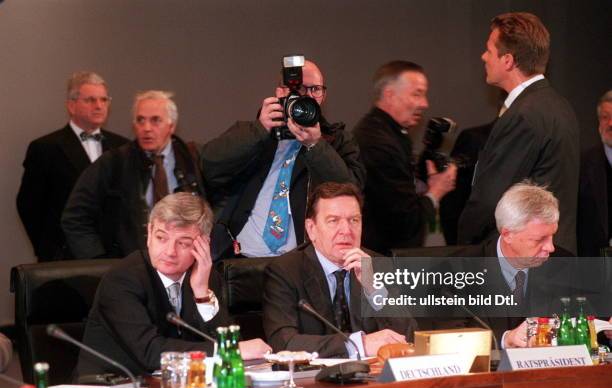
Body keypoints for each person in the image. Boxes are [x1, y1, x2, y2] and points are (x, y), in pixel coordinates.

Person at [76, 193, 270, 377]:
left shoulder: (206, 278)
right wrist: (227, 349)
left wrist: (202, 294)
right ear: (149, 232)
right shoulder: (121, 280)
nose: (169, 251)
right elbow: (151, 353)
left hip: (181, 387)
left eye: (183, 243)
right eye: (161, 238)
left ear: (203, 244)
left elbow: (232, 346)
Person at [200, 59, 365, 261]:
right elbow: (209, 165)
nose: (308, 96)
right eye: (299, 89)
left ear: (324, 96)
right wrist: (258, 130)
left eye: (315, 89)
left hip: (299, 265)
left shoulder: (337, 140)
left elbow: (352, 191)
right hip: (240, 260)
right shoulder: (254, 132)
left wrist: (315, 145)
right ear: (280, 92)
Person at [457, 12, 580, 254]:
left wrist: (464, 246)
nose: (483, 57)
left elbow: (492, 197)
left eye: (489, 50)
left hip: (529, 258)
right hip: (555, 251)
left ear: (508, 60)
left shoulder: (523, 115)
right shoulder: (559, 105)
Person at [263, 182, 414, 358]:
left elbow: (409, 337)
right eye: (333, 221)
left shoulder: (378, 265)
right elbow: (284, 342)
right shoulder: (285, 271)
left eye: (354, 220)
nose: (346, 230)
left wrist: (373, 288)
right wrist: (359, 344)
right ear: (311, 229)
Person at [62, 90, 205, 259]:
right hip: (131, 265)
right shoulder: (114, 163)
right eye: (140, 120)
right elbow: (75, 216)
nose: (146, 128)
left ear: (171, 125)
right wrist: (99, 262)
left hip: (185, 261)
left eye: (155, 120)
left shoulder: (193, 159)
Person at [16, 71, 129, 261]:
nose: (99, 106)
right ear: (71, 105)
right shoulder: (45, 148)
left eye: (104, 100)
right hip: (65, 256)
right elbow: (28, 205)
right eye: (90, 100)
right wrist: (49, 250)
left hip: (114, 255)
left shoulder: (123, 147)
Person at [353, 61, 457, 255]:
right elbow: (403, 221)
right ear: (389, 94)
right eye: (416, 94)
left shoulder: (391, 135)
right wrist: (436, 192)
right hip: (382, 262)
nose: (424, 104)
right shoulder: (378, 143)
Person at [456, 182, 573, 348]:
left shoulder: (562, 262)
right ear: (507, 234)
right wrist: (505, 339)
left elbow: (584, 315)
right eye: (539, 239)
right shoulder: (457, 271)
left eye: (552, 236)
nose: (550, 247)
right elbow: (449, 335)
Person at [577, 90, 612, 257]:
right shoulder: (582, 164)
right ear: (599, 122)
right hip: (593, 264)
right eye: (605, 117)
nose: (610, 123)